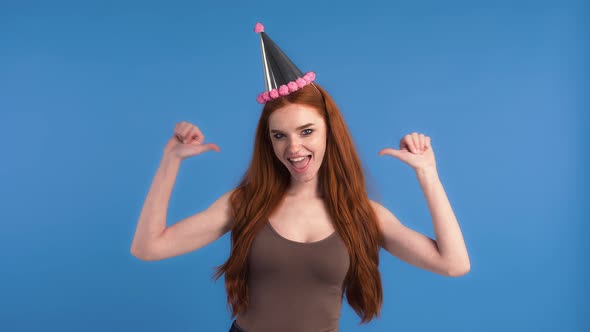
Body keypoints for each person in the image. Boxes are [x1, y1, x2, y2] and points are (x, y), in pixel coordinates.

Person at [130, 23, 470, 332]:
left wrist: (427, 174)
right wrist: (169, 162)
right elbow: (148, 247)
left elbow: (454, 264)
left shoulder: (363, 215)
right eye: (279, 135)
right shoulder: (246, 203)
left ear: (329, 133)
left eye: (306, 131)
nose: (294, 148)